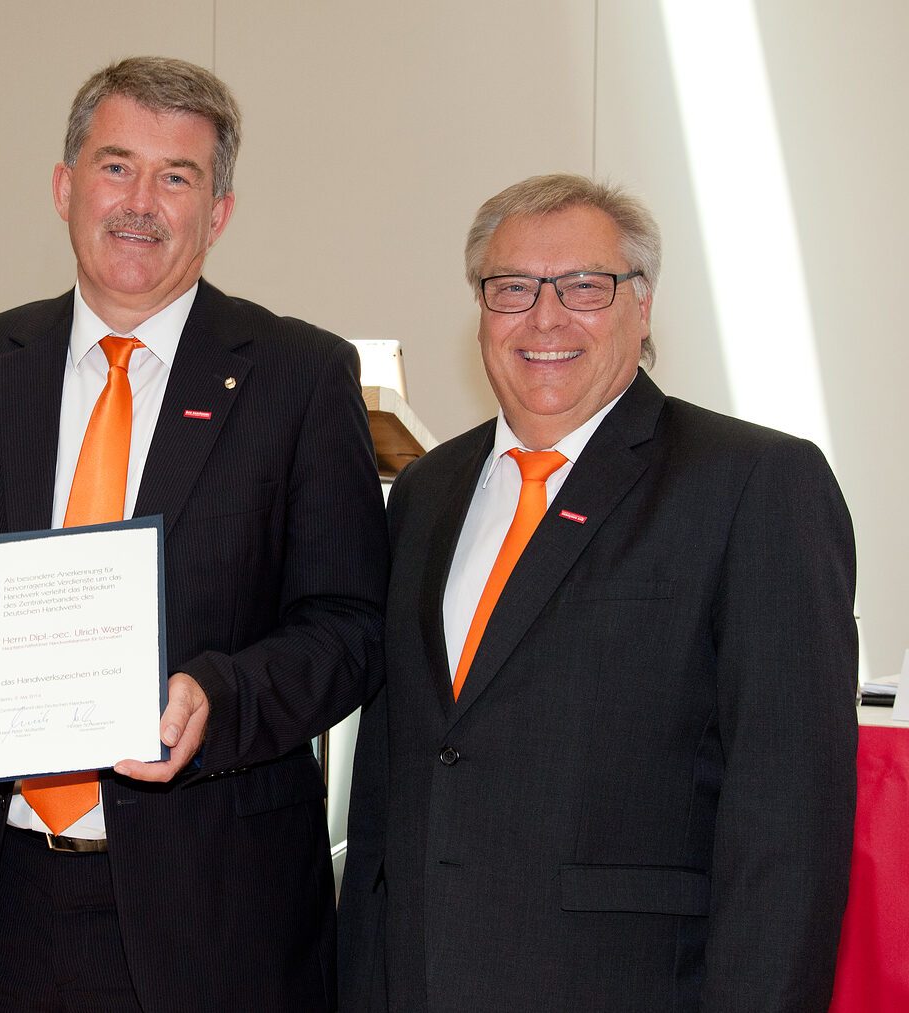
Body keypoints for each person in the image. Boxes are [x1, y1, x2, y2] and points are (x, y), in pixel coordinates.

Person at [0, 57, 389, 1012]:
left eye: (176, 176)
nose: (140, 203)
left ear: (219, 210)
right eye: (116, 167)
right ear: (65, 188)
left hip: (211, 917)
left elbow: (350, 626)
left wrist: (215, 696)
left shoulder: (299, 376)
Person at [338, 172, 858, 1012]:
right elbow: (394, 783)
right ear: (481, 307)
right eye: (512, 288)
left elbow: (790, 829)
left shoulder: (755, 482)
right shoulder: (427, 491)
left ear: (641, 305)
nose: (546, 317)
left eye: (585, 285)